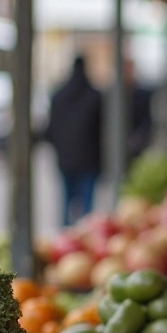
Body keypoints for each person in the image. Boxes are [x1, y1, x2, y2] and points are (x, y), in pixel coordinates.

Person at [44, 55, 103, 226]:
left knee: (65, 203)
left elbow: (50, 130)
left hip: (65, 159)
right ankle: (86, 238)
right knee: (87, 206)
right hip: (89, 159)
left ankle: (66, 236)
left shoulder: (58, 96)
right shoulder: (95, 96)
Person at [125, 59, 154, 165]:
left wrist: (138, 140)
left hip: (136, 146)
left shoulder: (141, 95)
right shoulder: (113, 95)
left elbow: (147, 121)